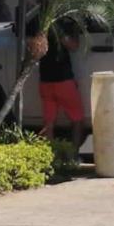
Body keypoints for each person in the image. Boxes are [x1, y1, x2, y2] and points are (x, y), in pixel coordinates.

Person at [37, 24, 85, 152]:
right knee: (77, 119)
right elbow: (73, 45)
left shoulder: (41, 22)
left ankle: (50, 155)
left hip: (45, 80)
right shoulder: (61, 25)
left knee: (49, 122)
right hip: (63, 80)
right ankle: (74, 153)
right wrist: (75, 31)